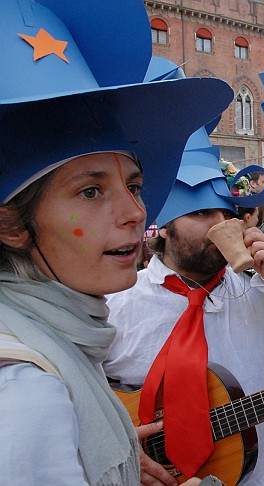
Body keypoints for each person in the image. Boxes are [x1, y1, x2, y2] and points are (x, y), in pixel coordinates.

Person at [0, 3, 232, 484]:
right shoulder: (24, 395)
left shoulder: (63, 348)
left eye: (134, 185)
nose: (136, 212)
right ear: (12, 226)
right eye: (91, 191)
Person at [103, 118, 264, 486]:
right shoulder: (119, 302)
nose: (220, 225)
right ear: (163, 226)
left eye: (227, 214)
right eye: (200, 213)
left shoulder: (259, 290)